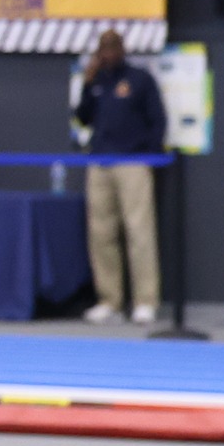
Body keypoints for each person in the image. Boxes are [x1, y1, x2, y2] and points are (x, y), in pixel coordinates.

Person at [74, 28, 166, 325]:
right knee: (101, 234)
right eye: (103, 49)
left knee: (139, 231)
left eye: (113, 48)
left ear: (123, 49)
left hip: (132, 163)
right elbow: (82, 117)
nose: (108, 53)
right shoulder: (97, 80)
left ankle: (145, 301)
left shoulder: (139, 79)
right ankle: (110, 300)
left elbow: (158, 120)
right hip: (100, 162)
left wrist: (147, 155)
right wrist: (87, 83)